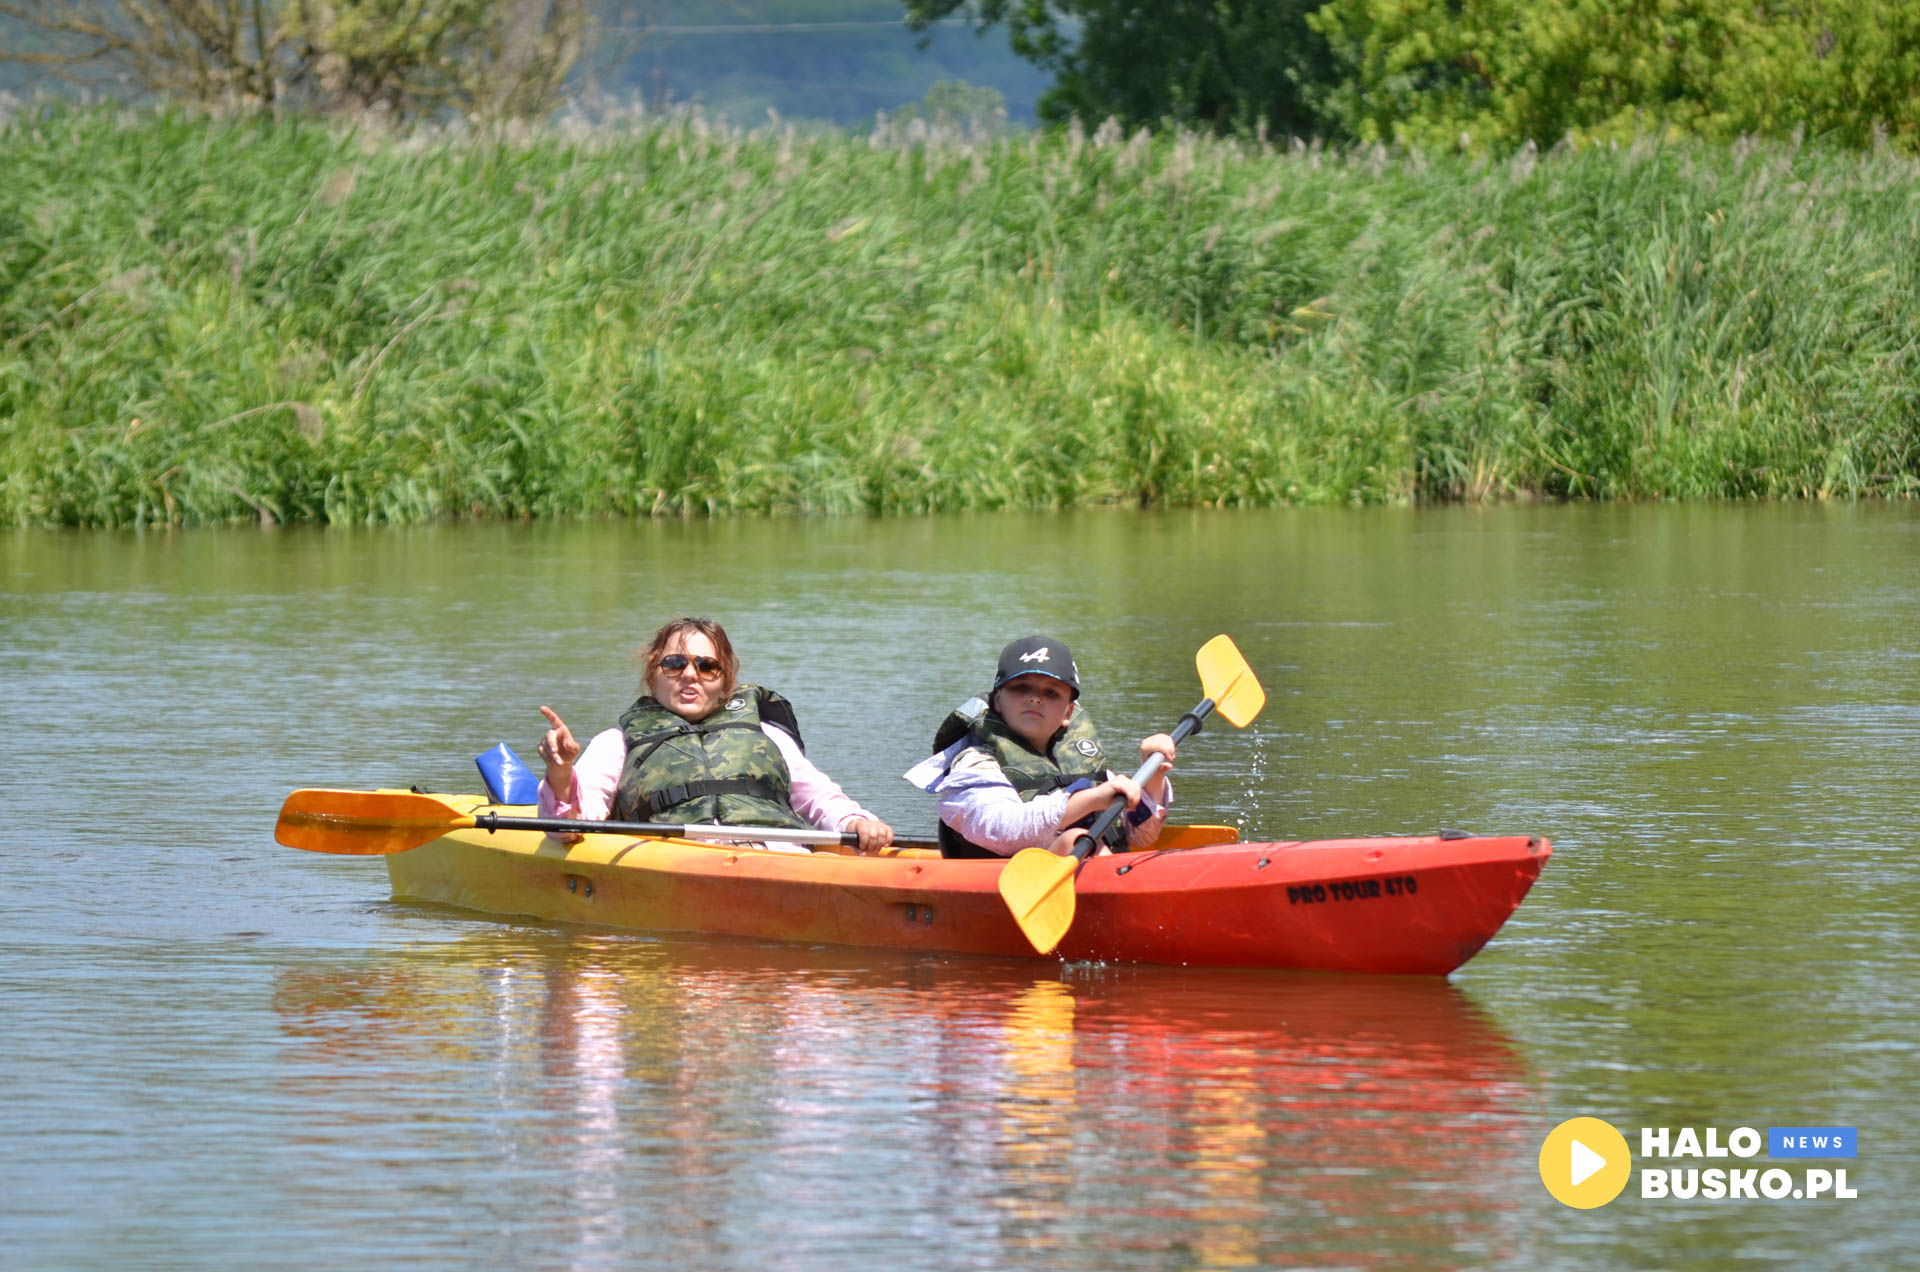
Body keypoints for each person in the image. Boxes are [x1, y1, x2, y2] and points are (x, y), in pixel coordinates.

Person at [535, 617, 895, 854]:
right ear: (652, 674)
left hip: (776, 857)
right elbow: (568, 829)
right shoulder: (618, 743)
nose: (690, 675)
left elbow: (820, 800)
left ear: (725, 681)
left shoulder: (766, 735)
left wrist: (855, 822)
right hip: (676, 861)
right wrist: (561, 773)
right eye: (675, 664)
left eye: (707, 666)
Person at [906, 635, 1176, 858]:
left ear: (1068, 712)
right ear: (998, 701)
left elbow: (1140, 837)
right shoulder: (975, 762)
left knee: (1083, 840)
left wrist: (1153, 775)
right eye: (1022, 687)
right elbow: (1002, 831)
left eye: (1051, 692)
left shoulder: (1080, 758)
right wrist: (1090, 800)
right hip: (1005, 883)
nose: (1035, 699)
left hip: (1087, 872)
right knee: (1076, 839)